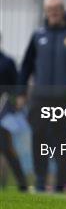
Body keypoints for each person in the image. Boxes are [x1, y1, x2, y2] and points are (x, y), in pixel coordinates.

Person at [17, 0, 66, 192]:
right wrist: (21, 92)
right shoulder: (38, 35)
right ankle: (40, 180)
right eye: (49, 10)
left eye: (56, 9)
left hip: (64, 99)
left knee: (62, 141)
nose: (53, 13)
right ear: (45, 12)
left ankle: (61, 182)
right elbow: (26, 66)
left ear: (62, 11)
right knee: (39, 139)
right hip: (39, 99)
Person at [0, 33, 28, 191]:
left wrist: (18, 98)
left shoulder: (7, 62)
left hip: (3, 111)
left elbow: (16, 85)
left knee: (6, 146)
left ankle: (22, 183)